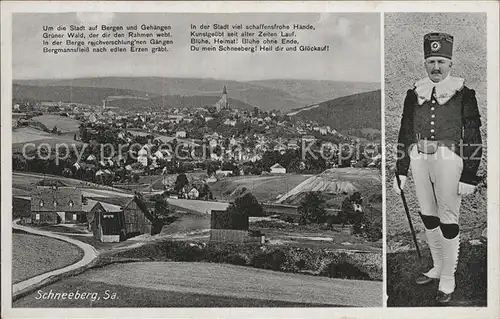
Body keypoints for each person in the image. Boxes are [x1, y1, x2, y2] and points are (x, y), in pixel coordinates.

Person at [392, 32, 483, 304]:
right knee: (428, 215)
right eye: (431, 61)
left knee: (447, 217)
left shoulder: (464, 94)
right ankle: (436, 266)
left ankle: (448, 276)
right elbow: (405, 131)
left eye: (441, 61)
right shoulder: (414, 93)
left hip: (449, 158)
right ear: (425, 62)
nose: (435, 67)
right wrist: (401, 169)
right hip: (419, 156)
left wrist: (469, 174)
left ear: (450, 63)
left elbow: (474, 135)